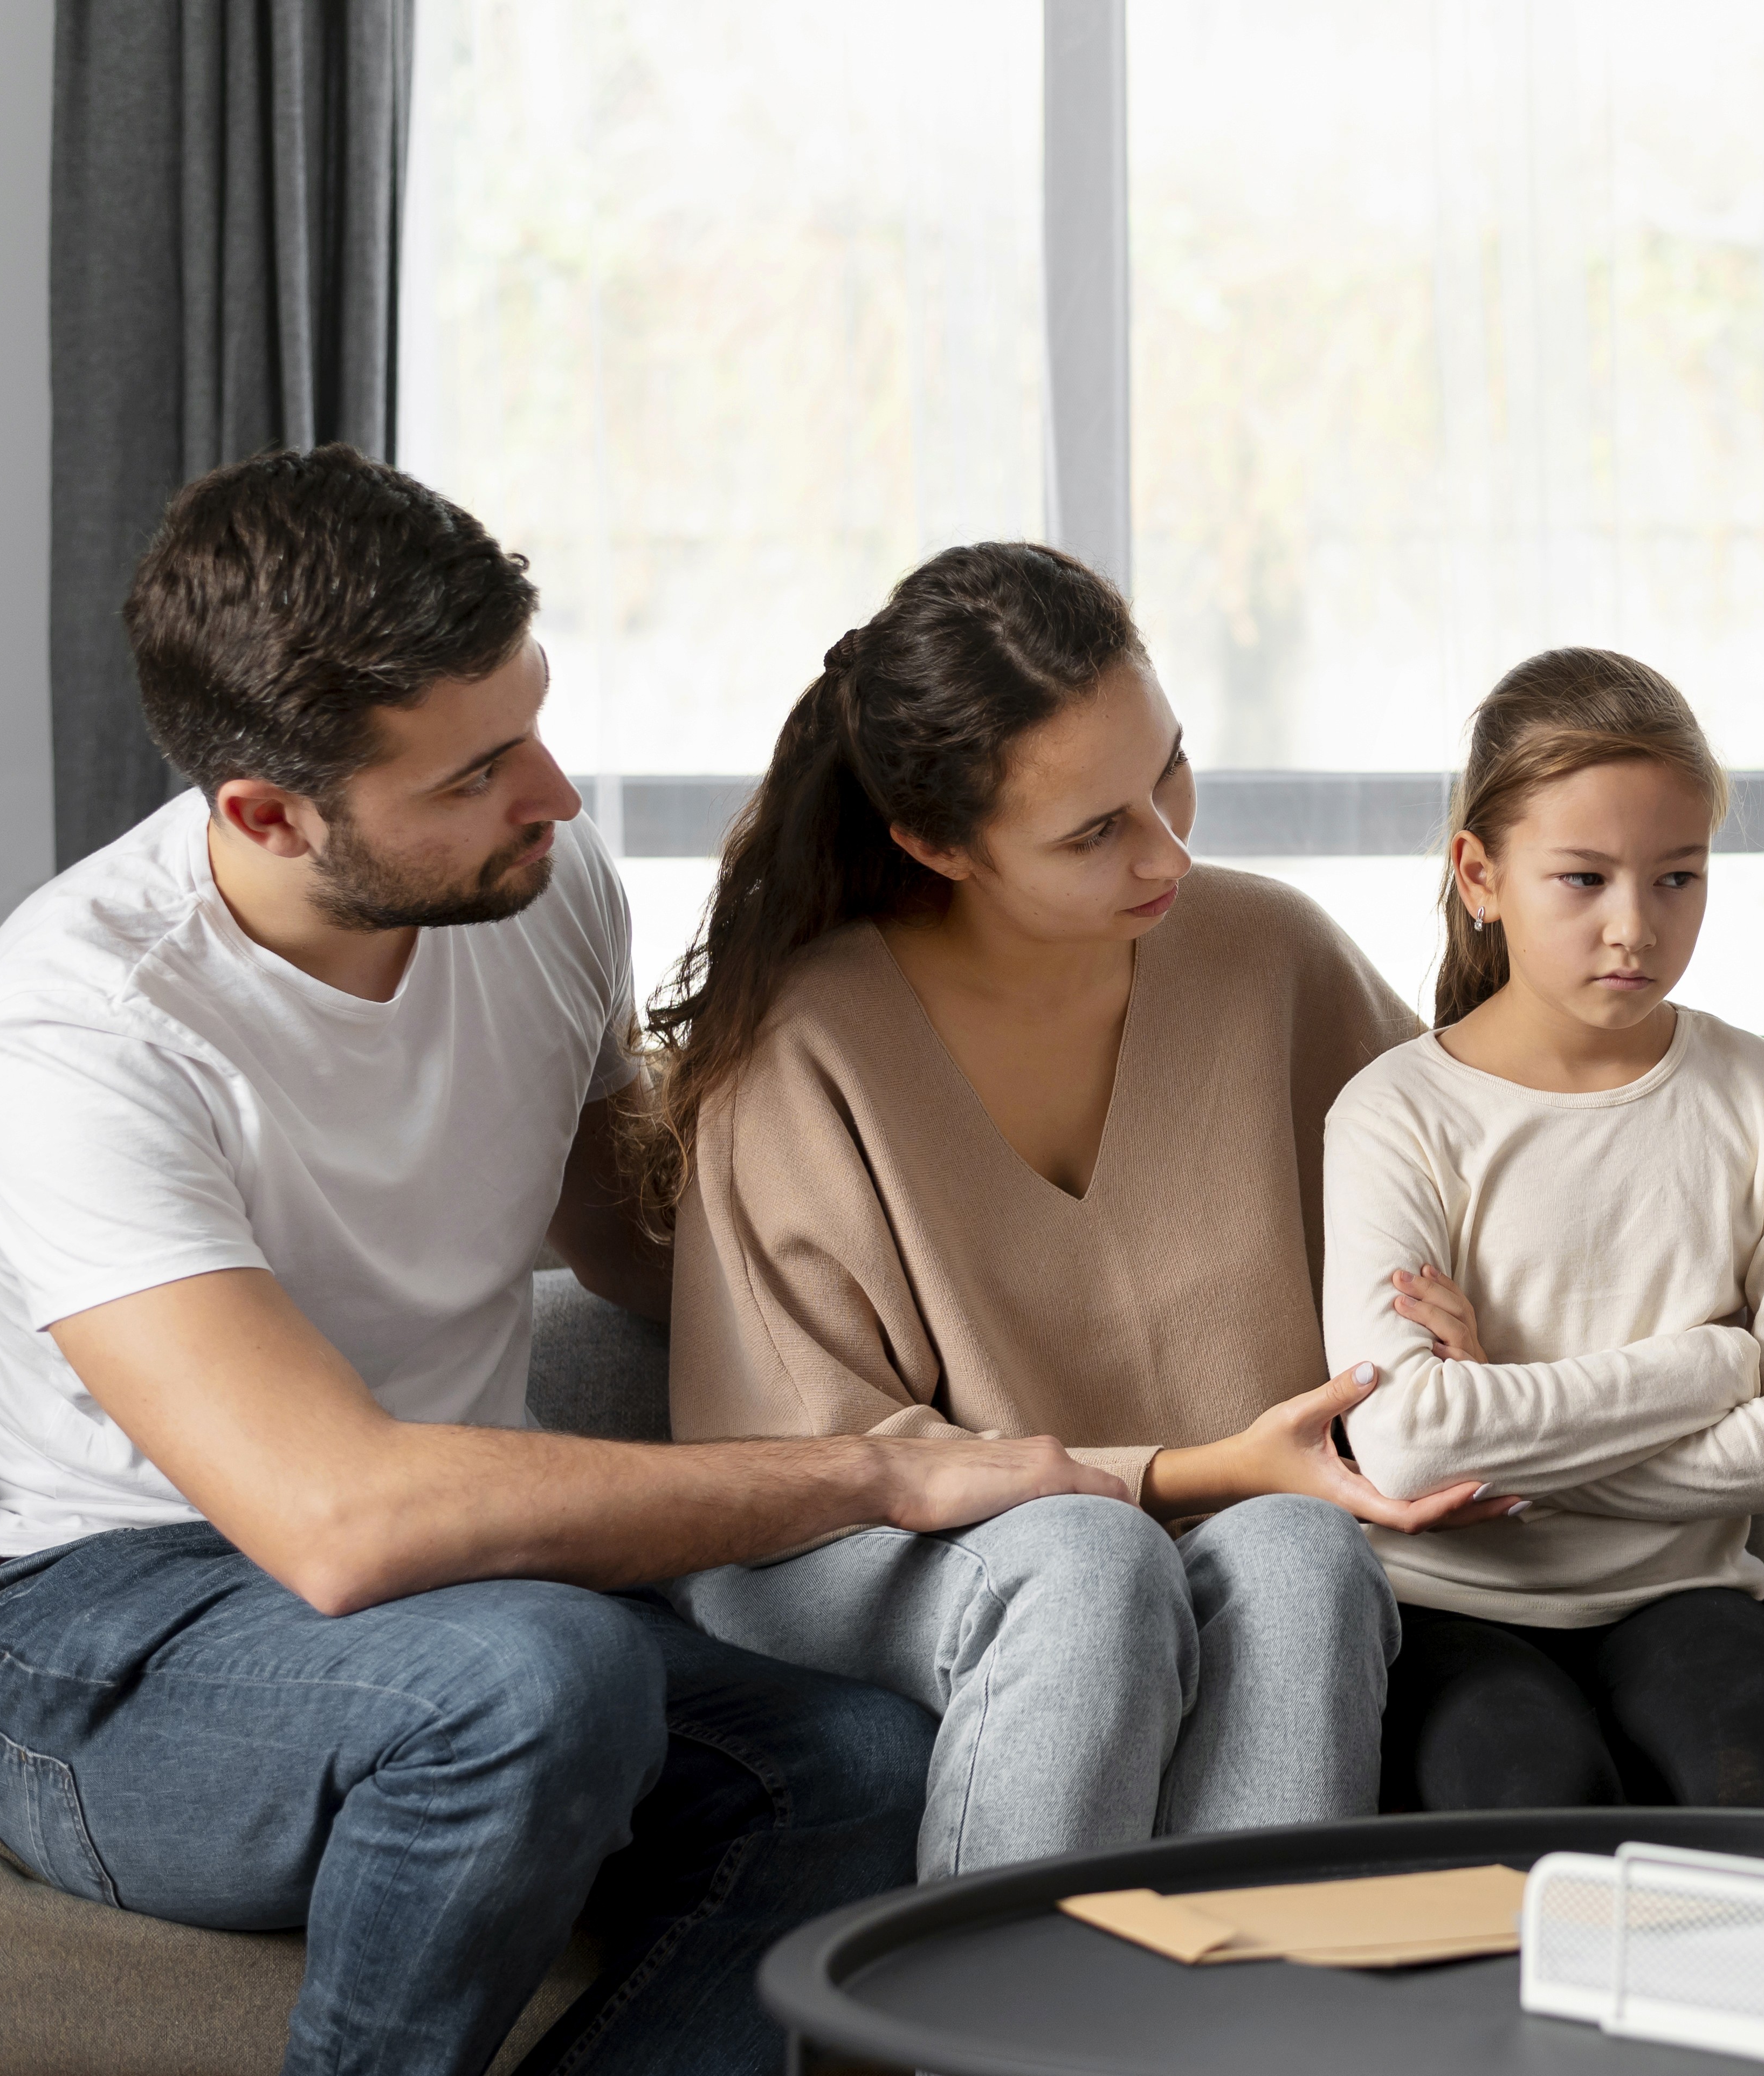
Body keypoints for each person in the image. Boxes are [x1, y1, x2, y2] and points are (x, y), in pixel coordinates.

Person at [0, 448, 1109, 2076]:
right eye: (477, 769)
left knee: (858, 1760)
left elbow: (634, 1250)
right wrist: (872, 1474)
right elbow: (339, 1520)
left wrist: (974, 1287)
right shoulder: (79, 1031)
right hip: (109, 1635)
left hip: (462, 1599)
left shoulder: (537, 901)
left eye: (536, 717)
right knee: (533, 1673)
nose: (553, 792)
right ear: (270, 813)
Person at [645, 542, 1511, 1876]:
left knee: (1297, 1553)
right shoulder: (801, 1046)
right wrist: (1183, 1474)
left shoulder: (1267, 952)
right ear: (937, 843)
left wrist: (1461, 1300)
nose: (1167, 847)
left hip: (1226, 1507)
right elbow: (829, 1460)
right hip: (865, 1538)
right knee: (1086, 1562)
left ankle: (1247, 2034)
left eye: (1167, 768)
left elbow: (1471, 1182)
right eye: (1093, 829)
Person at [1324, 649, 1764, 1812]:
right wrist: (1710, 1365)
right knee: (1525, 1784)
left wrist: (1519, 1438)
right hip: (1444, 1603)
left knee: (1755, 1768)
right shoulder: (1394, 1112)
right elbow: (1411, 1446)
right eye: (1582, 879)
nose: (1635, 928)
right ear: (1479, 874)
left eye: (1677, 878)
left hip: (1685, 1596)